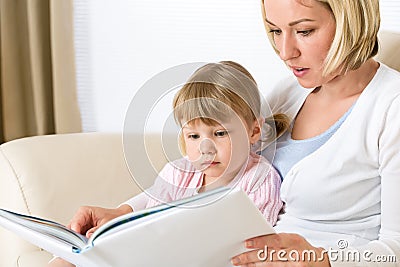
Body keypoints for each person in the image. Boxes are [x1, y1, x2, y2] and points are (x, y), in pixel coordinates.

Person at [48, 60, 290, 266]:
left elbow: (255, 246)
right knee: (67, 259)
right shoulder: (177, 173)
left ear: (254, 131)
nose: (205, 148)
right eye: (194, 136)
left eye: (220, 133)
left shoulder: (259, 179)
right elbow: (148, 226)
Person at [230, 0, 400, 266]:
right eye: (275, 31)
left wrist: (323, 261)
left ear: (350, 23)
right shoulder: (286, 93)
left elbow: (397, 248)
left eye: (304, 31)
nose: (285, 52)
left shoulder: (392, 108)